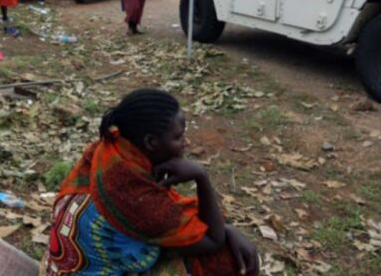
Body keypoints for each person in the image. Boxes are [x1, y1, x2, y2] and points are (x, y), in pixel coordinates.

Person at [43, 89, 259, 276]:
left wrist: (226, 229)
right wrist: (201, 177)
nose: (185, 143)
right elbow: (214, 241)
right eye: (178, 137)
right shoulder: (137, 199)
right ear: (151, 142)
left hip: (60, 266)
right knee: (225, 258)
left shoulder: (111, 147)